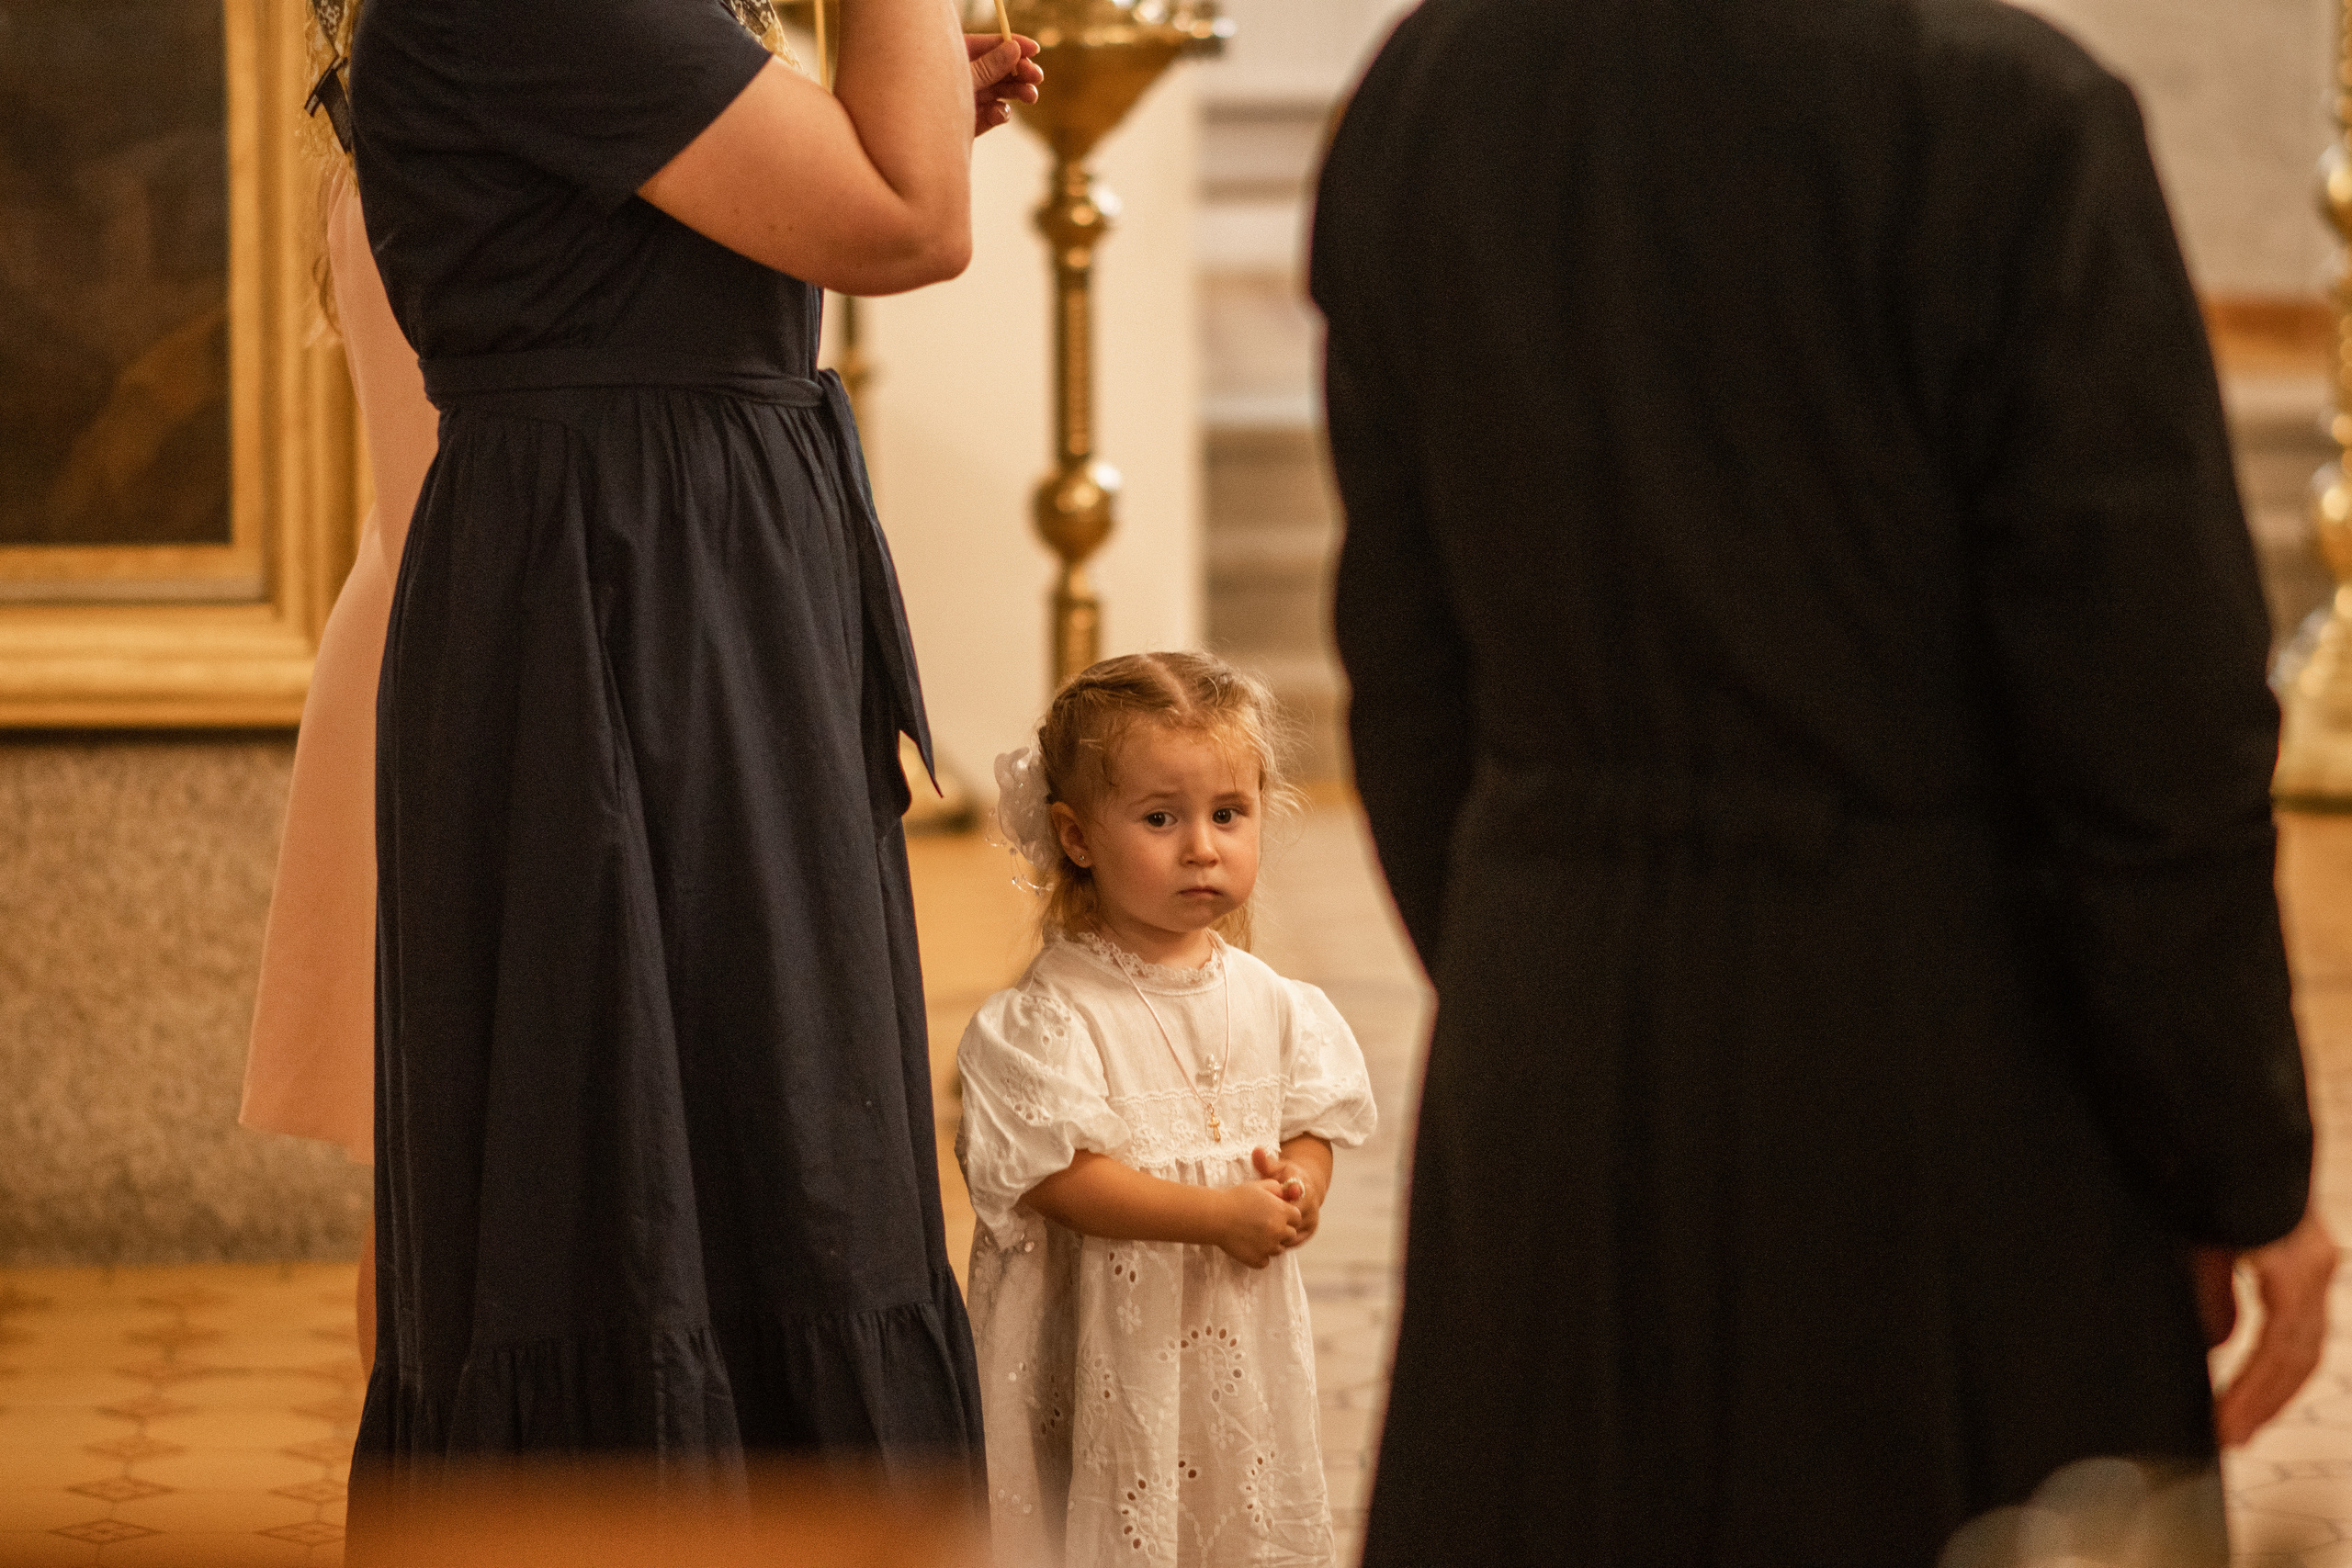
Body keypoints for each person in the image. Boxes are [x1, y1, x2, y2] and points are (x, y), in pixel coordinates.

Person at [1310, 1, 2335, 1563]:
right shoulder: (2009, 109)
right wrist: (2228, 1147)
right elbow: (2151, 712)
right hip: (1936, 1042)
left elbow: (1404, 656)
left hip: (1553, 1015)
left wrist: (1548, 957)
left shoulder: (1427, 86)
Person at [342, 0, 1043, 1496]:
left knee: (765, 1111)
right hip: (627, 606)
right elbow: (913, 223)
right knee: (632, 1132)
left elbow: (842, 203)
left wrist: (872, 109)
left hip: (678, 574)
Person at [955, 652, 1377, 1566]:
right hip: (1112, 1343)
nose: (1202, 846)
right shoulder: (1052, 1015)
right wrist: (1214, 1216)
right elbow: (1059, 1178)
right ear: (1076, 837)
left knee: (1226, 1505)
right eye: (1160, 819)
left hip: (1233, 1340)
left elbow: (1311, 1116)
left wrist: (1295, 1188)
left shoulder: (1271, 1000)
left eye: (1229, 814)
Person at [239, 0, 446, 1383]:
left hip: (401, 620)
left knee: (422, 1159)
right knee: (443, 1168)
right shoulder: (471, 127)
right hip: (463, 637)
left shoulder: (385, 132)